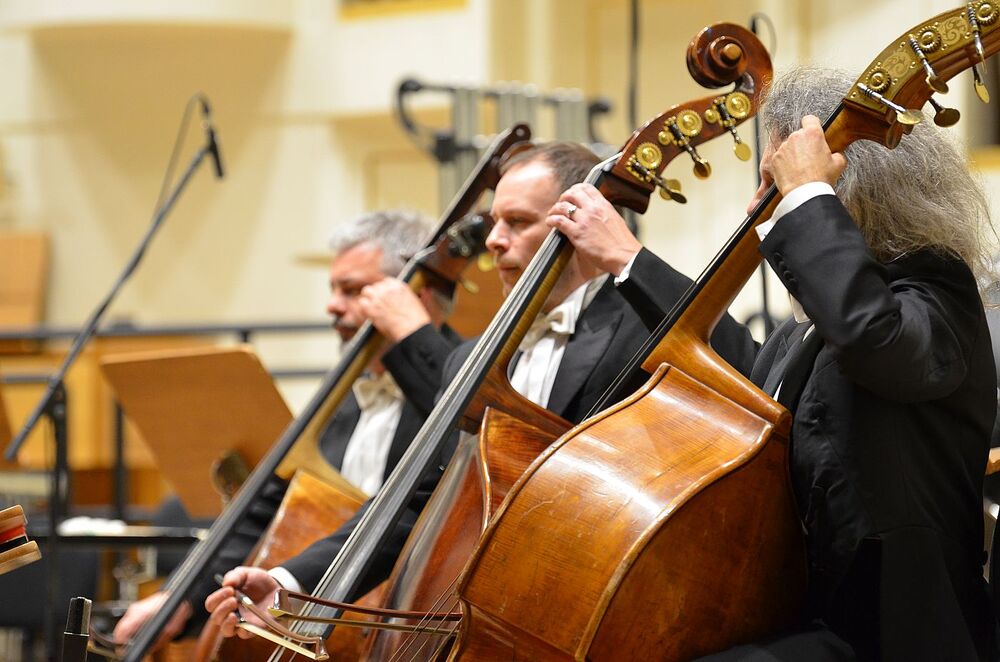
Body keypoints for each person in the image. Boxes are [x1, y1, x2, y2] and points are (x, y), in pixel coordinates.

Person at [204, 141, 759, 639]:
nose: (493, 240)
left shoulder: (641, 325)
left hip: (606, 621)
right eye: (495, 221)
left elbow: (739, 367)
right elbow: (417, 502)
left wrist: (626, 259)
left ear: (581, 220)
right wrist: (288, 582)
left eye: (517, 221)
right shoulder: (472, 360)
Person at [549, 67, 998, 661]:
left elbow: (876, 341)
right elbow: (736, 383)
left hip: (894, 635)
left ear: (849, 187)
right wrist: (631, 262)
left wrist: (807, 195)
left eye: (773, 182)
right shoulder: (802, 330)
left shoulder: (935, 287)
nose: (756, 205)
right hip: (808, 617)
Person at [112, 209, 462, 649]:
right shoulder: (339, 401)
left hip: (410, 633)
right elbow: (264, 509)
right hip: (326, 628)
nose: (332, 306)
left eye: (353, 290)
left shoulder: (457, 386)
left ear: (417, 296)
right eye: (333, 289)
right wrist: (178, 597)